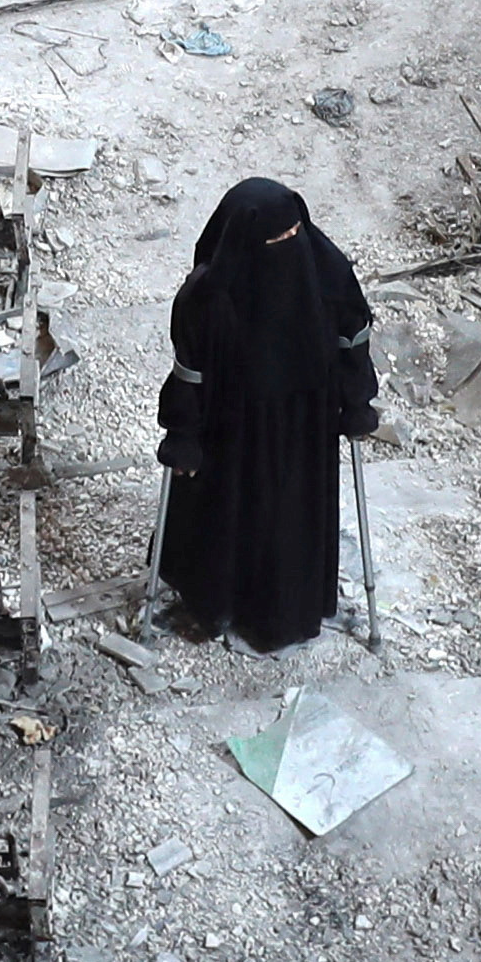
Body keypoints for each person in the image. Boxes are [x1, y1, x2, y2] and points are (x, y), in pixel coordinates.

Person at [154, 176, 380, 650]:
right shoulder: (206, 298)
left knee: (288, 519)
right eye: (274, 242)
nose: (288, 247)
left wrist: (357, 402)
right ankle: (217, 601)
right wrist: (183, 434)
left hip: (305, 424)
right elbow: (188, 373)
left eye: (294, 236)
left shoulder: (328, 272)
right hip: (230, 427)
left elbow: (353, 340)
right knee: (225, 513)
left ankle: (281, 612)